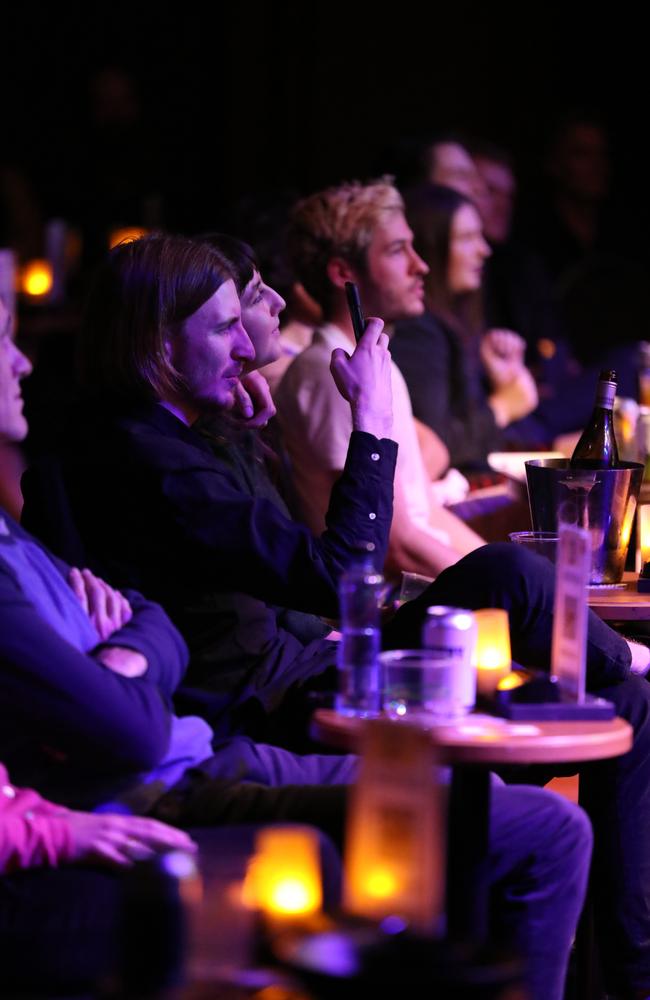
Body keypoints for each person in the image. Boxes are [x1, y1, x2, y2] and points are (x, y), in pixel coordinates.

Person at [3, 288, 593, 1000]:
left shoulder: (188, 441)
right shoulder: (152, 457)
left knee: (527, 664)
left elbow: (155, 618)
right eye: (232, 316)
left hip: (267, 694)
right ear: (162, 348)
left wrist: (130, 640)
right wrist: (371, 422)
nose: (24, 361)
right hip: (248, 721)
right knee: (515, 623)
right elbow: (341, 572)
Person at [275, 179, 484, 582]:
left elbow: (425, 510)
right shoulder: (329, 371)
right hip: (389, 611)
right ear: (342, 272)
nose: (419, 265)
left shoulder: (374, 364)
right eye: (396, 250)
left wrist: (509, 573)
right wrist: (497, 590)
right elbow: (397, 544)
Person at [390, 183, 540, 470]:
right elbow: (437, 449)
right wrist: (502, 406)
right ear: (431, 248)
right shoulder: (419, 332)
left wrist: (498, 382)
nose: (484, 250)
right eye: (467, 238)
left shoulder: (449, 322)